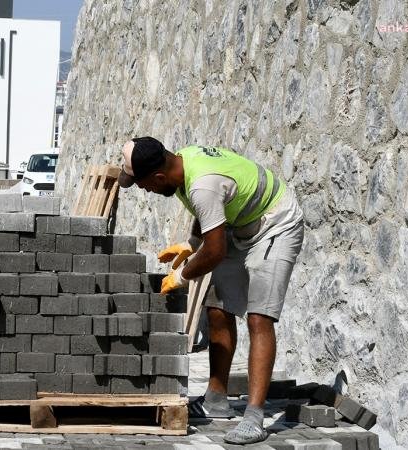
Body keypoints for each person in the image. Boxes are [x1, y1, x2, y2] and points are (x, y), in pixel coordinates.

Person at [118, 137, 304, 445]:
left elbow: (214, 250)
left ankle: (255, 418)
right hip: (238, 224)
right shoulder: (182, 164)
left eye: (143, 185)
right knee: (217, 308)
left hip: (276, 223)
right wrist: (191, 243)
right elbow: (204, 211)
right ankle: (216, 398)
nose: (145, 191)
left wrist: (181, 275)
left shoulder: (201, 183)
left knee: (259, 318)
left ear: (158, 177)